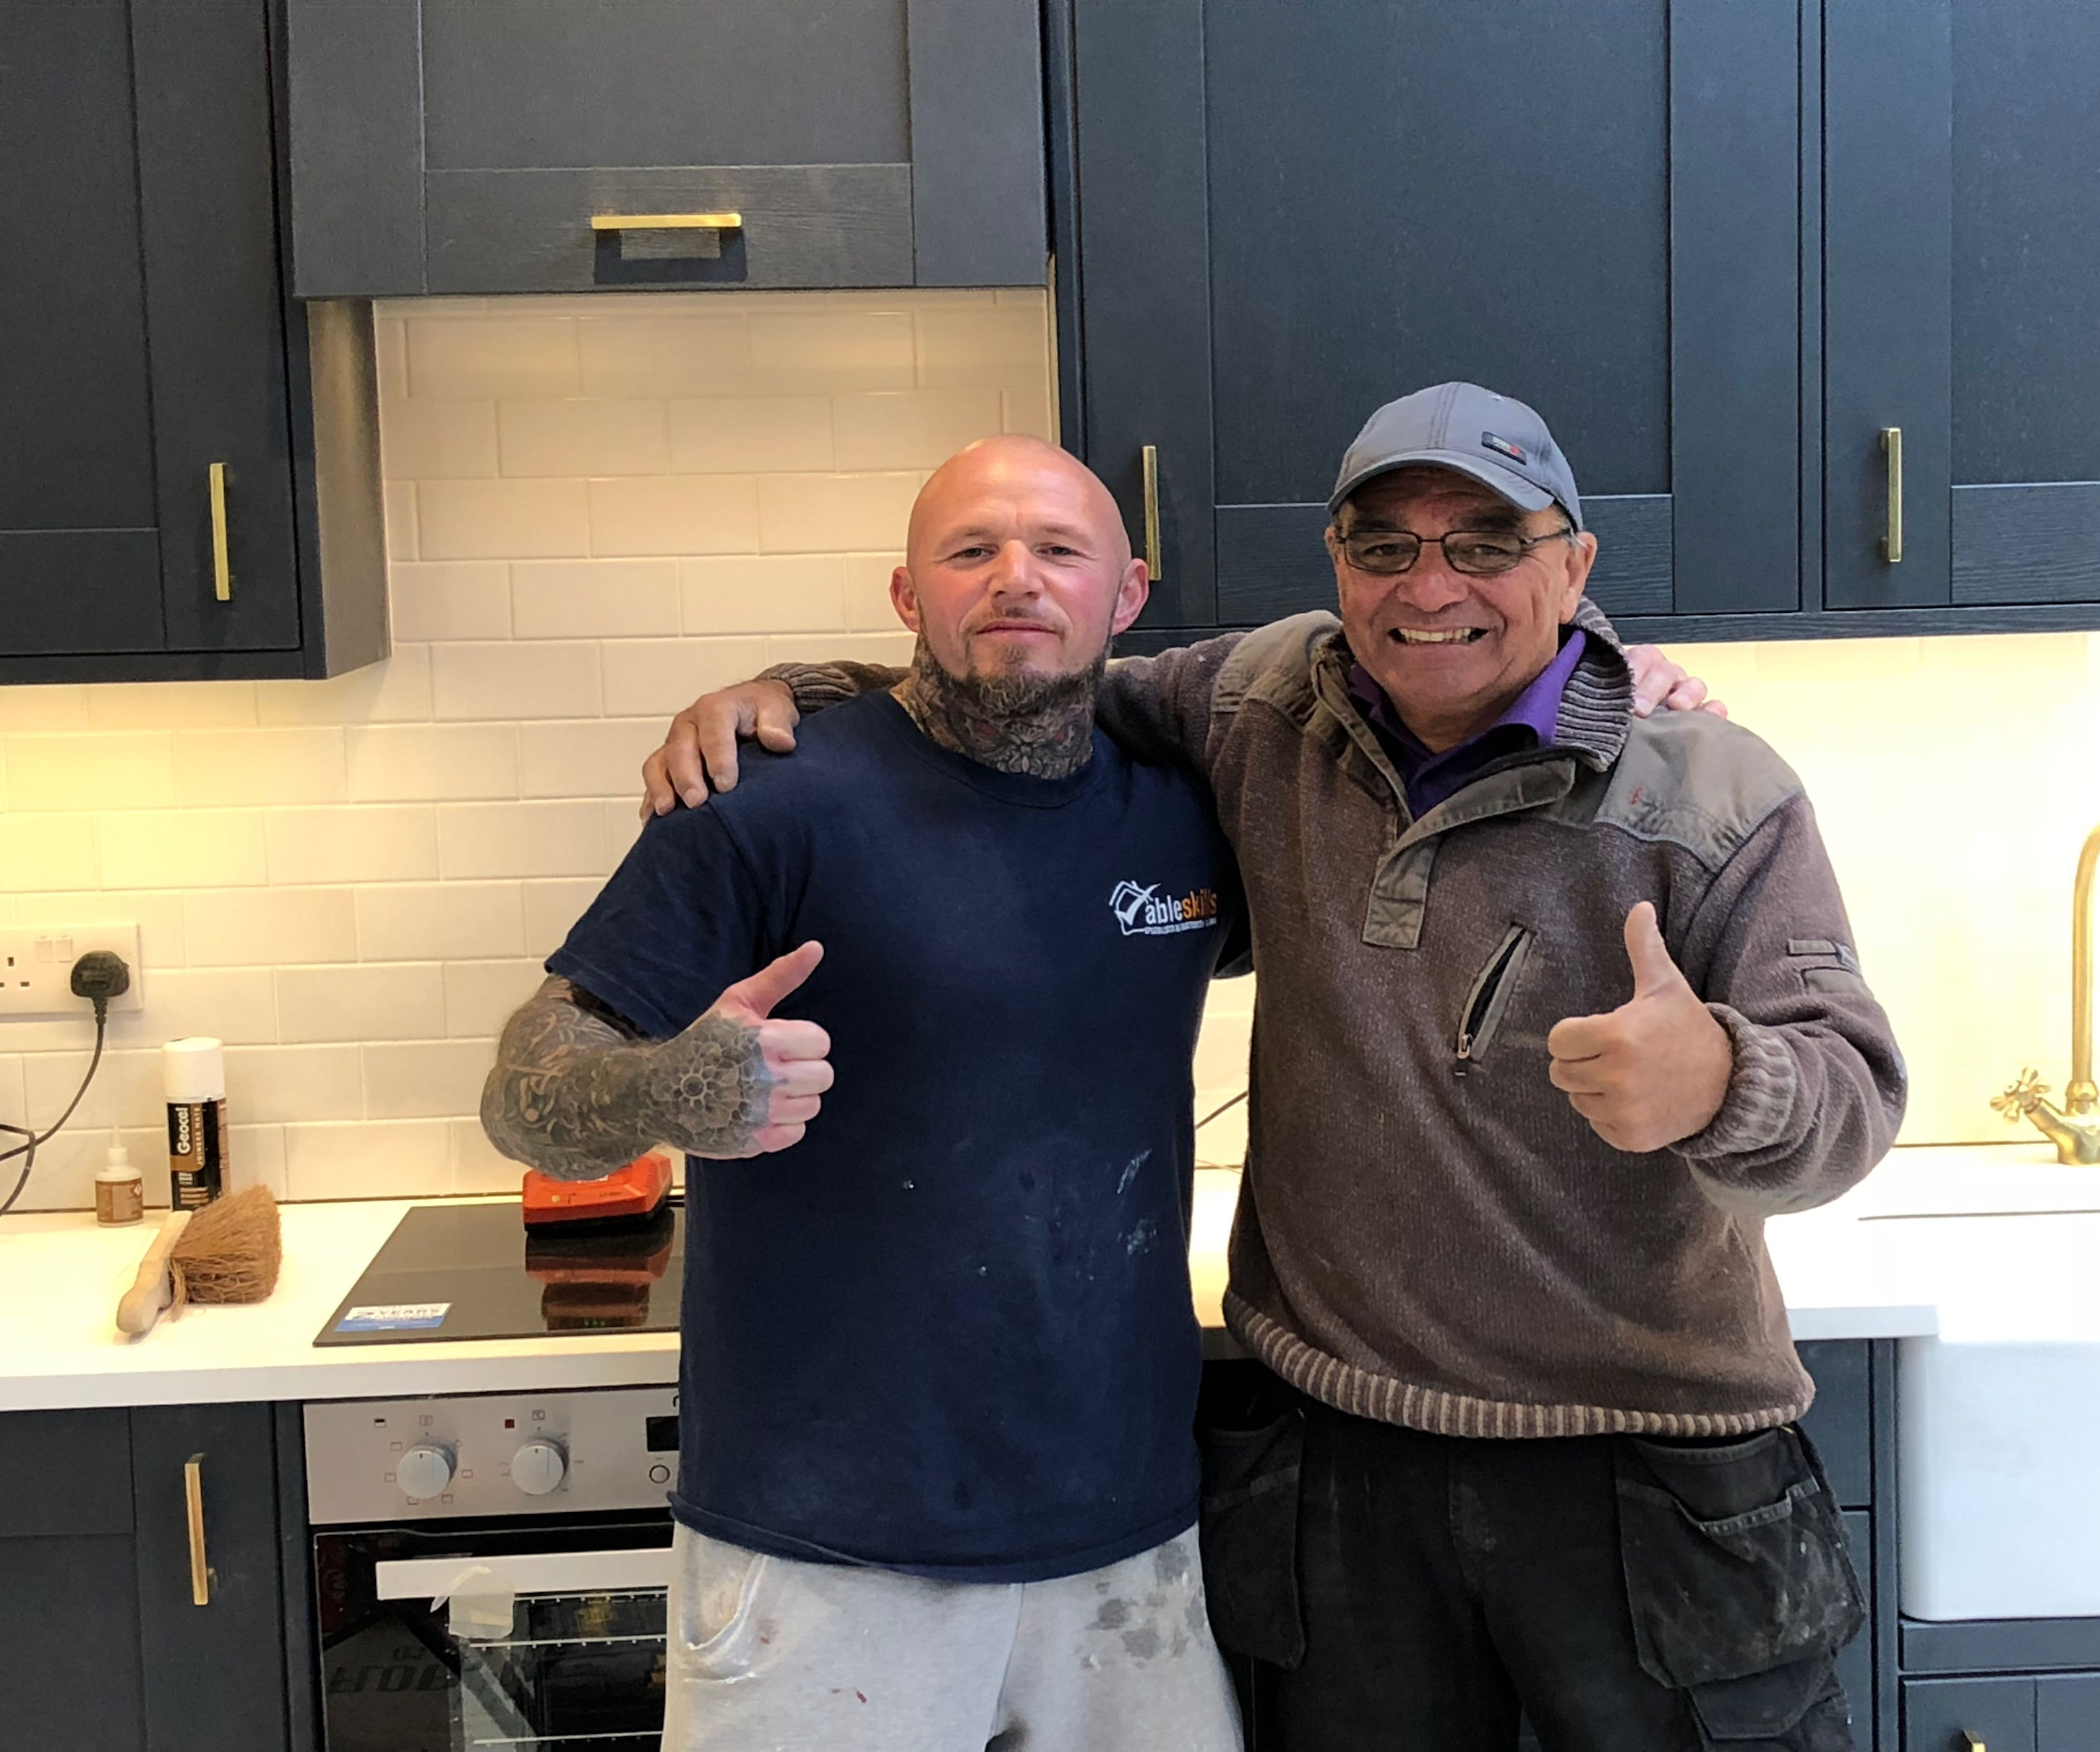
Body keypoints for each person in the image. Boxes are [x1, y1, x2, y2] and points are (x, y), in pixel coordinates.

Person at [643, 384, 1908, 1751]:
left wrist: (1722, 1082)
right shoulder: (1262, 705)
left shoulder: (1712, 790)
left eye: (1487, 542)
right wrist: (797, 693)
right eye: (1385, 545)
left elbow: (1852, 1095)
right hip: (1342, 1473)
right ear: (1338, 565)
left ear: (1574, 564)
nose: (1432, 586)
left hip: (1642, 1474)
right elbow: (1025, 678)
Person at [479, 434, 1254, 1752]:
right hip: (823, 1547)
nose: (1017, 579)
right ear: (907, 595)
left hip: (1126, 1532)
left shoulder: (1188, 812)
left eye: (1059, 550)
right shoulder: (763, 802)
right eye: (971, 551)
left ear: (1127, 595)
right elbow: (521, 1089)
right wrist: (665, 1091)